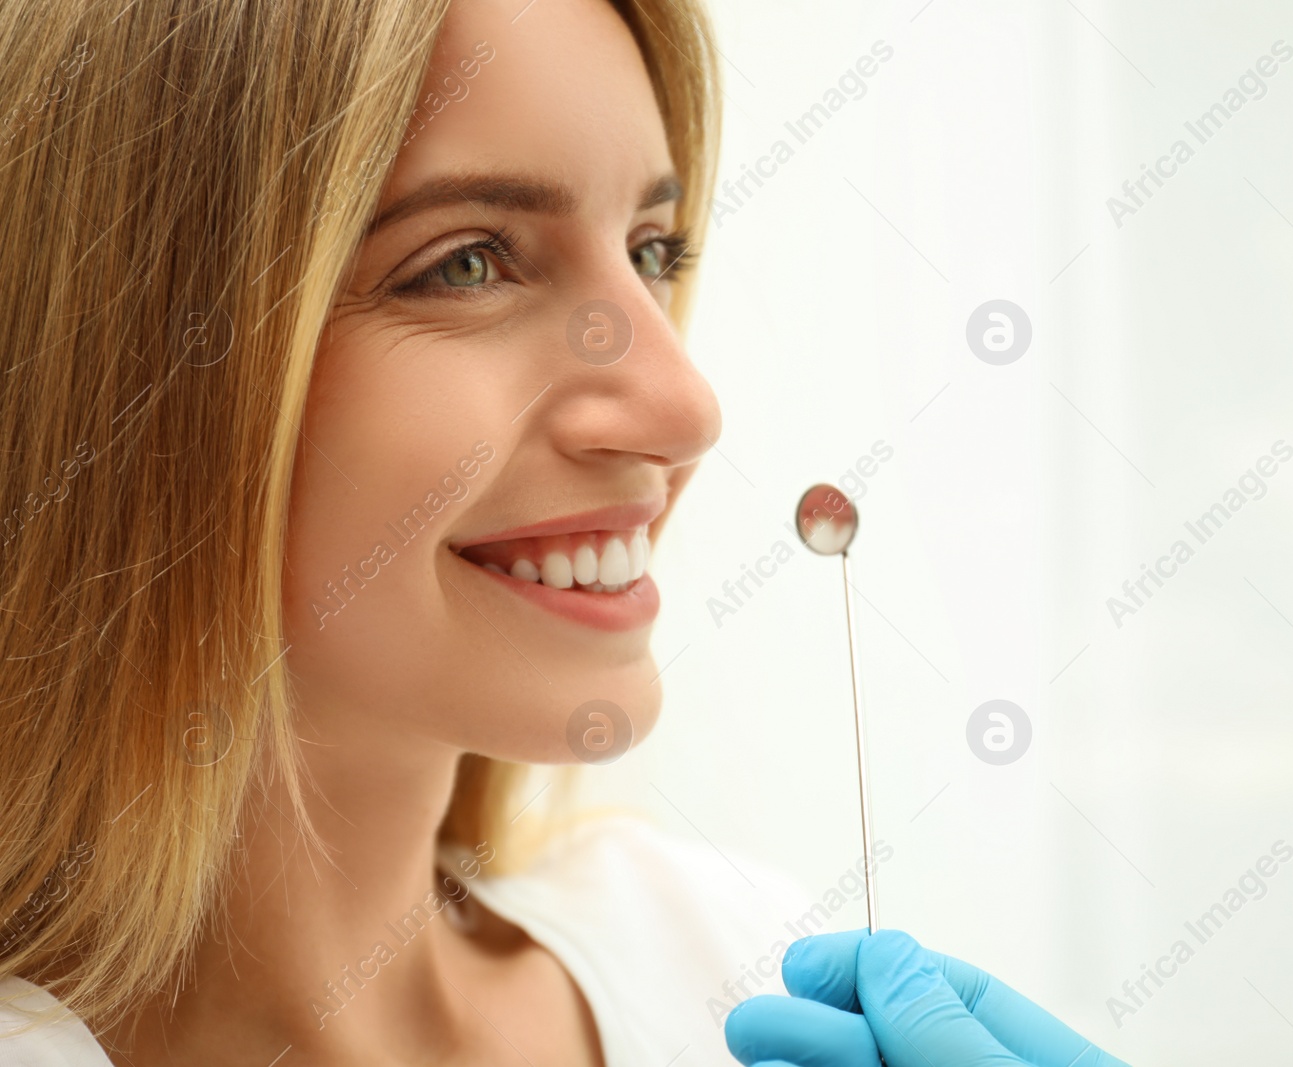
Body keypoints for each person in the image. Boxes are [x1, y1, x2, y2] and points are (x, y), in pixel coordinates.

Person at [0, 1, 1127, 1064]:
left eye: (651, 249)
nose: (685, 410)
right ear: (128, 375)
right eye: (468, 262)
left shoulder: (730, 956)